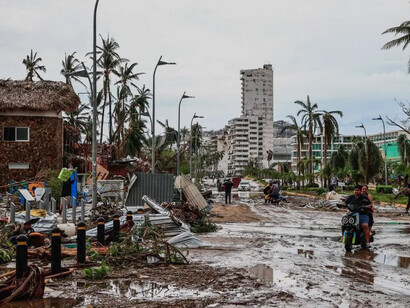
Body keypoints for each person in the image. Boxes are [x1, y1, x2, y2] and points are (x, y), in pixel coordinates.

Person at [344, 185, 372, 249]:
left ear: (360, 191)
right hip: (352, 214)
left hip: (362, 214)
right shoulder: (350, 197)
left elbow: (370, 204)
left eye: (358, 190)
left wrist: (365, 207)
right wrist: (343, 205)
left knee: (365, 225)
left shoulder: (364, 198)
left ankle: (367, 242)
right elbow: (345, 203)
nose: (356, 191)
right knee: (343, 224)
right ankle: (342, 236)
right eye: (355, 190)